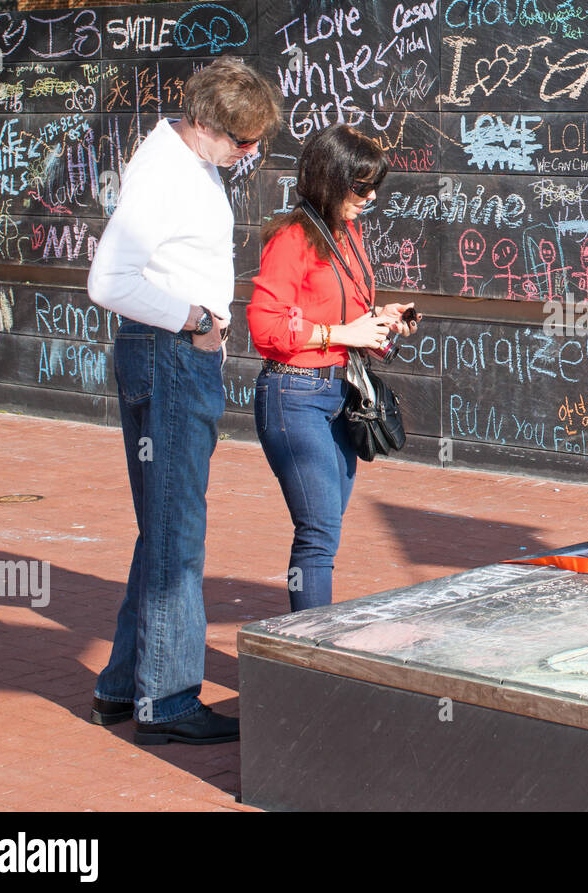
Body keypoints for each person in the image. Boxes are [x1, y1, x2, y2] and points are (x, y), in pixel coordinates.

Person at [86, 56, 280, 745]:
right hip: (171, 354)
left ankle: (122, 684)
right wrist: (194, 319)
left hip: (167, 352)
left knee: (164, 525)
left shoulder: (180, 155)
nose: (249, 154)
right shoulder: (169, 174)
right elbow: (107, 280)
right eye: (241, 142)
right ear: (205, 123)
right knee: (178, 534)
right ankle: (166, 699)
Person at [247, 124, 417, 613]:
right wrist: (344, 334)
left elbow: (346, 314)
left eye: (374, 186)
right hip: (293, 395)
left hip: (337, 395)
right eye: (360, 186)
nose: (369, 196)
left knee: (327, 529)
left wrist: (381, 320)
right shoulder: (292, 238)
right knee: (318, 531)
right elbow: (265, 327)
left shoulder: (346, 234)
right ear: (330, 178)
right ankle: (310, 647)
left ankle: (309, 645)